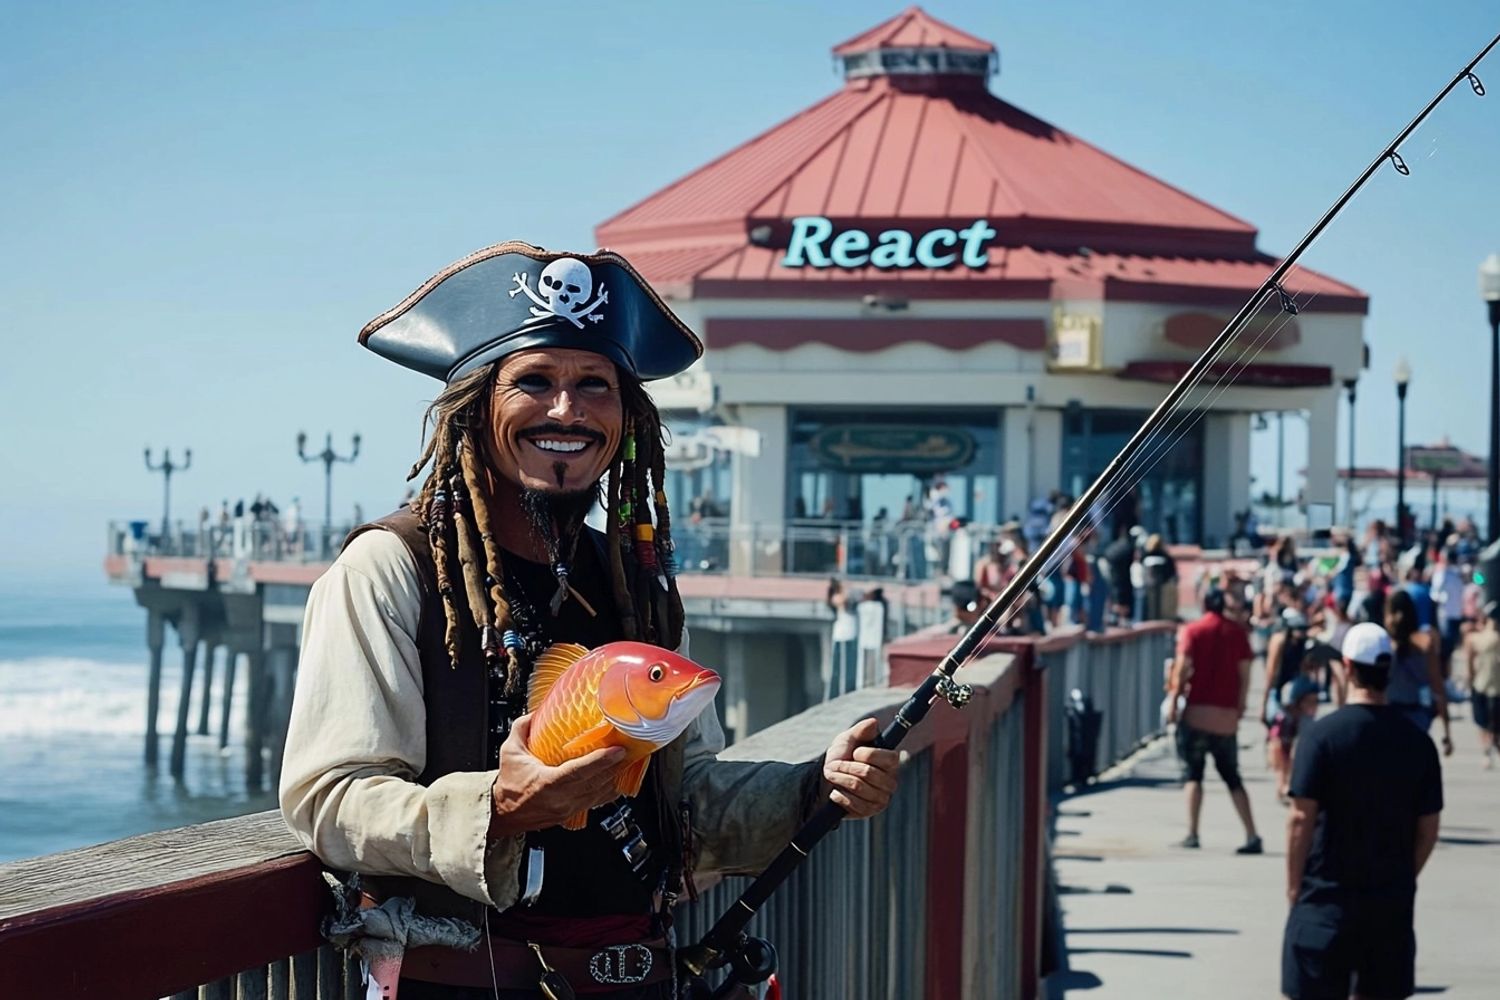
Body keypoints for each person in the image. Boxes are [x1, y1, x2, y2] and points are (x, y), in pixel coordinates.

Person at [278, 242, 901, 998]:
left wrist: (815, 786)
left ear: (627, 418)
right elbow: (329, 799)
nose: (566, 409)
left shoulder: (638, 587)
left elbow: (683, 792)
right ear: (477, 409)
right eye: (533, 381)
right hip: (463, 983)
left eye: (594, 385)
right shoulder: (389, 567)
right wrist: (498, 810)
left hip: (634, 977)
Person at [1281, 623, 1444, 1000]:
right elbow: (1429, 828)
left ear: (1348, 667)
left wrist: (1294, 887)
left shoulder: (1321, 737)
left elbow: (1300, 819)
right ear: (1387, 670)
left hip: (1326, 902)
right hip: (1388, 906)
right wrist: (1404, 873)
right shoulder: (1418, 744)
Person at [1166, 589, 1263, 853]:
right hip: (1225, 718)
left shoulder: (1194, 631)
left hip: (1197, 713)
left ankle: (1193, 832)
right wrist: (1241, 705)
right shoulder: (1237, 633)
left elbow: (1182, 668)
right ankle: (1252, 834)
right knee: (1232, 776)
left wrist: (1174, 702)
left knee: (1193, 775)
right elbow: (1245, 674)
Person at [1384, 590, 1454, 754]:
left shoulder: (1384, 644)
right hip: (1418, 717)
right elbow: (1437, 686)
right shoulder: (1425, 644)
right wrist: (1446, 732)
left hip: (1388, 716)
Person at [1269, 675, 1320, 801]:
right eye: (1310, 701)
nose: (1315, 706)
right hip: (1280, 743)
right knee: (1282, 764)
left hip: (1294, 745)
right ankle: (1282, 786)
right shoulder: (1284, 717)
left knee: (1295, 758)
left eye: (1316, 701)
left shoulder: (1307, 719)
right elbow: (1277, 739)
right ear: (1298, 702)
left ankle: (1287, 786)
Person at [1463, 606, 1500, 767]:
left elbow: (1469, 663)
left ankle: (1488, 751)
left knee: (1483, 722)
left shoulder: (1474, 638)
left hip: (1481, 684)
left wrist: (1469, 680)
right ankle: (1493, 749)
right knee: (1493, 722)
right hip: (1493, 685)